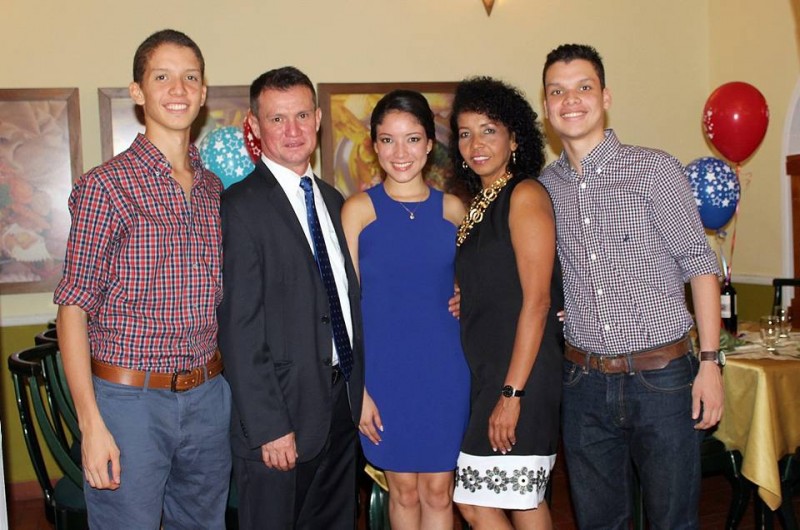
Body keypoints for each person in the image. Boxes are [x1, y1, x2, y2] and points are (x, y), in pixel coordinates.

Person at [539, 43, 724, 530]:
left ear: (606, 96)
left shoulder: (654, 170)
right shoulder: (544, 187)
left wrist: (710, 363)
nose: (570, 100)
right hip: (582, 383)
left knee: (673, 522)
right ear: (546, 106)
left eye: (583, 87)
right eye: (557, 91)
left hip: (662, 378)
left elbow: (700, 265)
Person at [53, 29, 231, 529]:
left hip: (208, 396)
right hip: (128, 403)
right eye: (162, 77)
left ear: (202, 92)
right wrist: (91, 425)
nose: (178, 89)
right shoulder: (103, 187)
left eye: (190, 78)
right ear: (138, 91)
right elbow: (72, 309)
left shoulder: (214, 188)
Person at [217, 66, 364, 530]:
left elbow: (345, 299)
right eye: (277, 119)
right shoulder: (240, 207)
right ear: (256, 127)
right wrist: (269, 426)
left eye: (302, 114)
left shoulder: (335, 200)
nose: (293, 130)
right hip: (281, 417)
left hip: (341, 405)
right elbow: (238, 328)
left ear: (318, 118)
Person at [341, 90, 470, 530]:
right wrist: (357, 387)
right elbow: (342, 308)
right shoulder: (358, 211)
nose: (401, 152)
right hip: (384, 375)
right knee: (403, 490)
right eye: (388, 140)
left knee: (439, 490)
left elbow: (478, 286)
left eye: (412, 139)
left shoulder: (454, 211)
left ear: (430, 144)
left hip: (445, 372)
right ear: (374, 145)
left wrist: (465, 294)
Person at [449, 77, 563, 530]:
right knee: (522, 497)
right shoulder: (480, 202)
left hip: (520, 375)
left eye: (489, 129)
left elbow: (537, 302)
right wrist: (467, 298)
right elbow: (497, 283)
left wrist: (511, 395)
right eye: (465, 132)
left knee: (477, 502)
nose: (475, 143)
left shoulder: (525, 194)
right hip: (489, 369)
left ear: (515, 137)